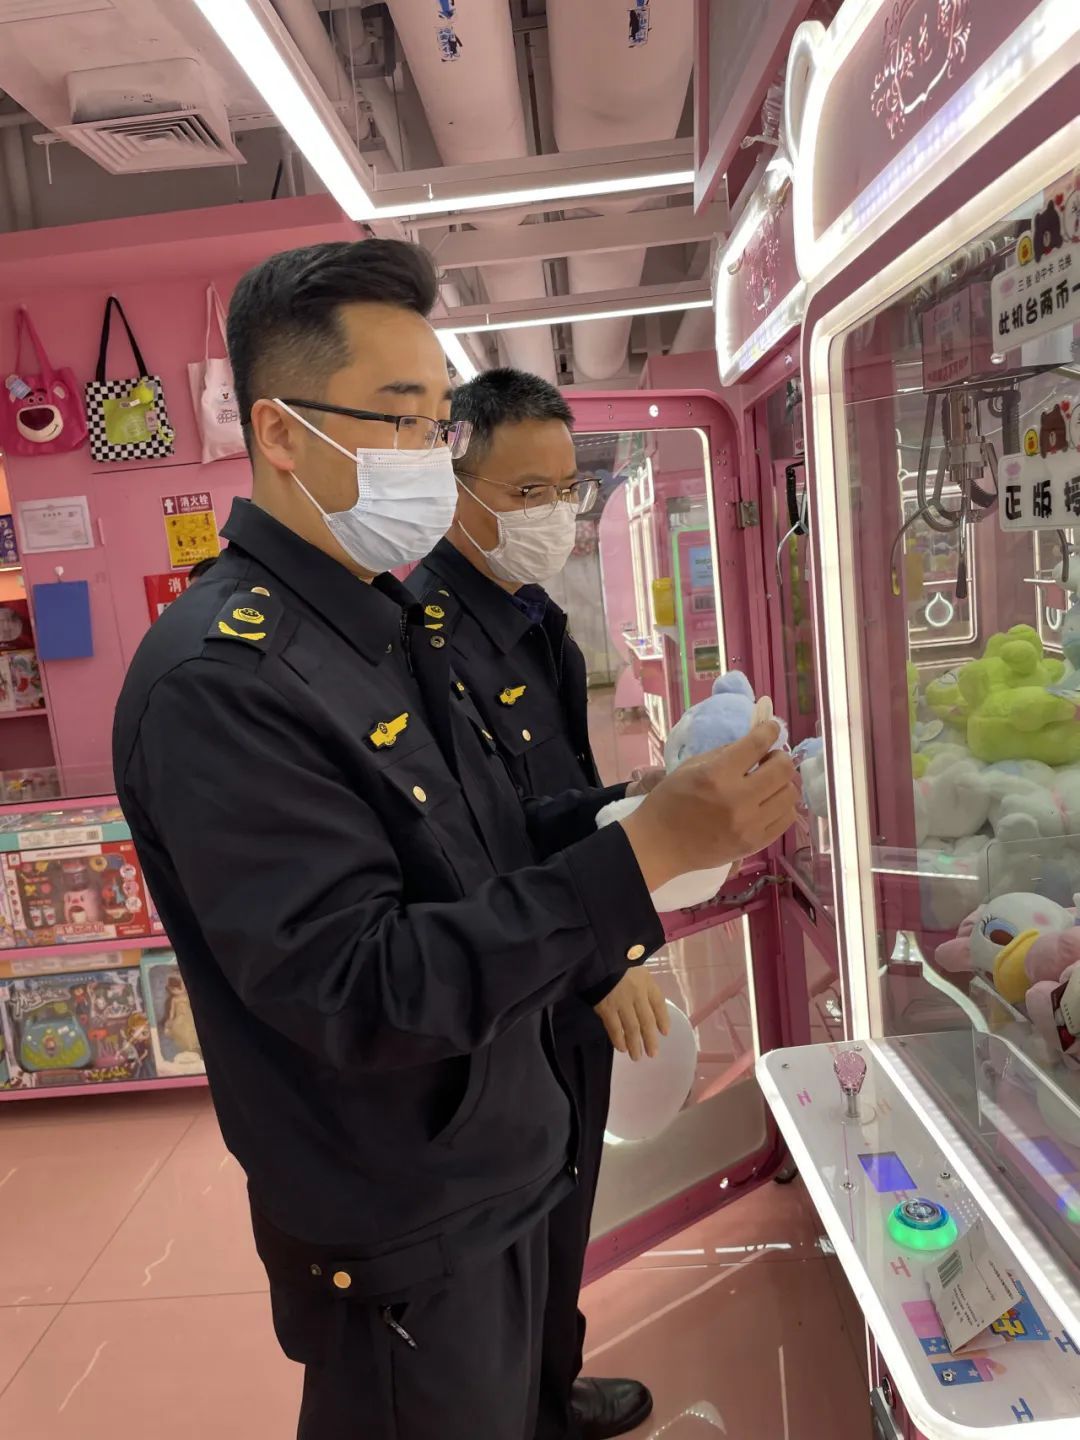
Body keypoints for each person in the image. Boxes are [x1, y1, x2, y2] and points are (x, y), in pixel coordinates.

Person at [112, 239, 798, 1440]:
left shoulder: (380, 625)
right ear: (280, 434)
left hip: (500, 1144)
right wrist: (636, 860)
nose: (430, 454)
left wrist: (638, 808)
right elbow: (358, 986)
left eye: (439, 422)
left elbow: (486, 842)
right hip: (403, 1215)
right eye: (398, 418)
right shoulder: (222, 685)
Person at [410, 368, 666, 1440]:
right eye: (526, 493)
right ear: (454, 487)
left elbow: (552, 794)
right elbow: (478, 847)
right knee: (532, 1214)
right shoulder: (423, 638)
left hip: (573, 945)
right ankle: (532, 1405)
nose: (554, 514)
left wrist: (641, 807)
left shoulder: (532, 621)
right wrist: (603, 961)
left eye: (567, 489)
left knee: (569, 1197)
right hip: (526, 973)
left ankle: (553, 1390)